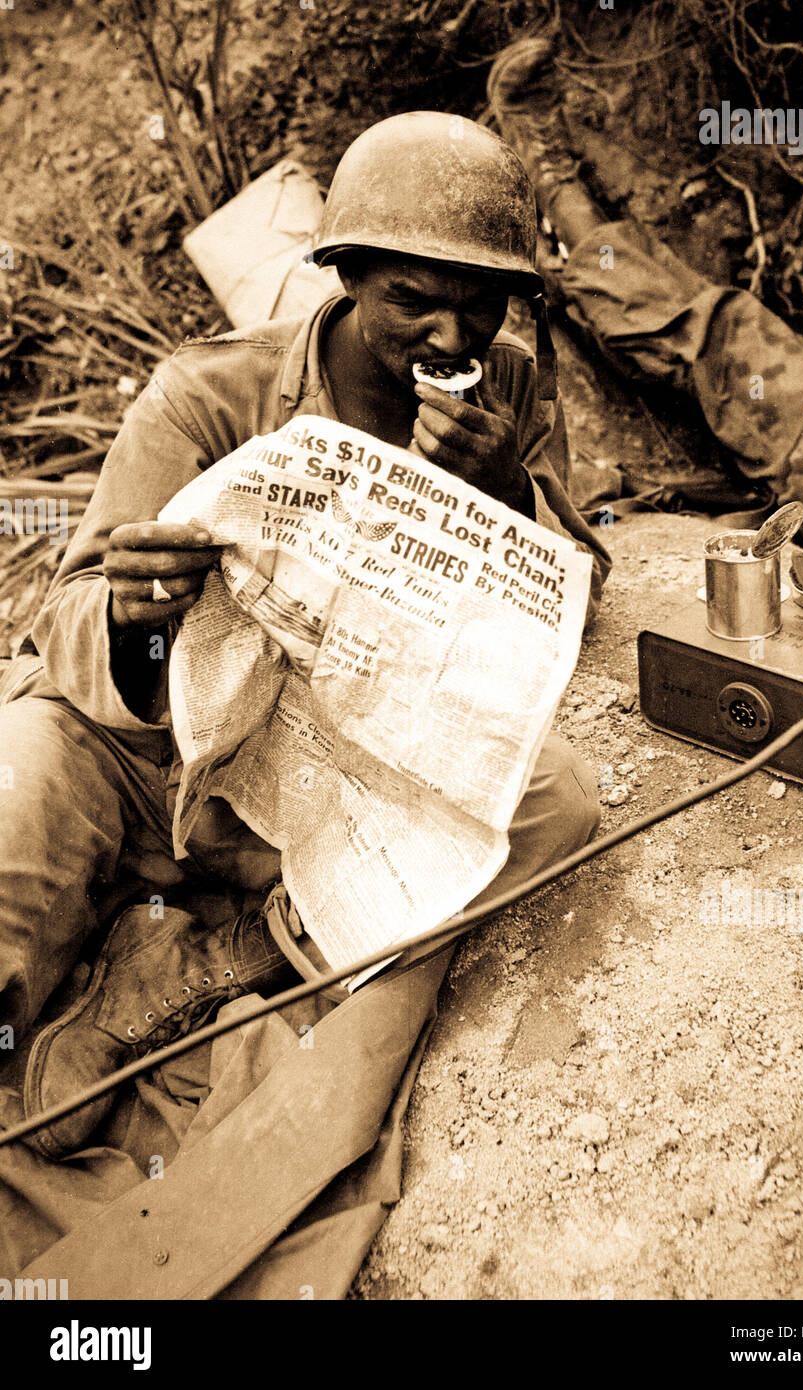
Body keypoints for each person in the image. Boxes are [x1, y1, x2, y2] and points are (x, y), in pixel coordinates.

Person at [0, 111, 610, 1159]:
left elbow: (573, 593)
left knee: (556, 802)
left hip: (304, 769)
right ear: (347, 275)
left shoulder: (507, 386)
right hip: (136, 755)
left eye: (481, 308)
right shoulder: (209, 392)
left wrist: (505, 492)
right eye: (411, 302)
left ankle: (211, 961)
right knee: (16, 811)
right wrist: (132, 612)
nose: (452, 341)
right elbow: (65, 617)